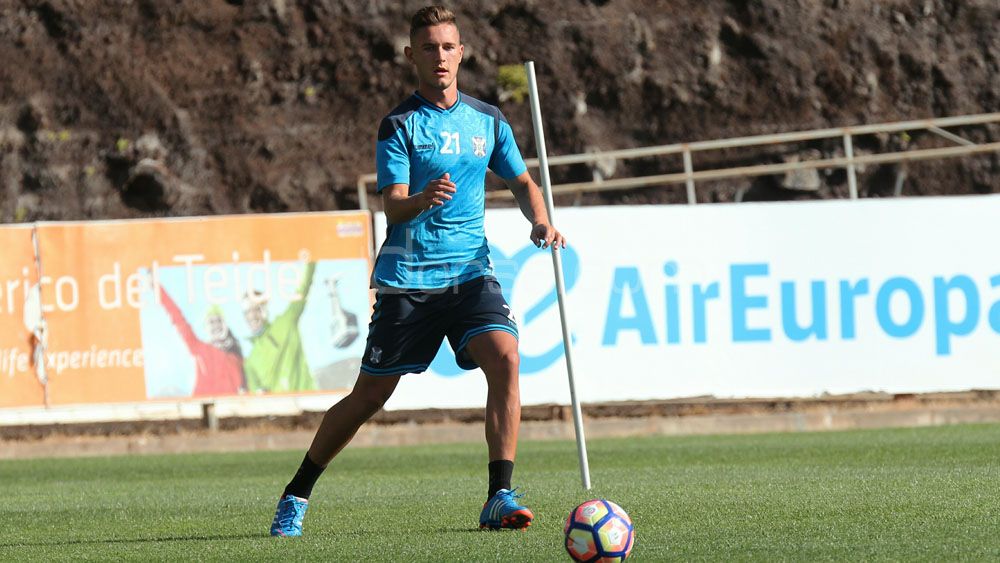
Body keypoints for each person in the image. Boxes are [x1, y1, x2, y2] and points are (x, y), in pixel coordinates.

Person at [269, 5, 565, 537]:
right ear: (412, 56)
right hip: (410, 279)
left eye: (448, 47)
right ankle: (297, 490)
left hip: (471, 271)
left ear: (462, 52)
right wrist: (423, 199)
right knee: (369, 398)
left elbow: (522, 183)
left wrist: (541, 221)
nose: (440, 57)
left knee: (506, 357)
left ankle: (500, 495)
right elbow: (394, 206)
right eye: (429, 48)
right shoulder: (400, 124)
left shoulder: (489, 121)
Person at [243, 261, 318, 393]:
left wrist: (310, 259)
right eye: (247, 312)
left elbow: (302, 290)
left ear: (264, 308)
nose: (252, 316)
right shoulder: (250, 363)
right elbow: (256, 396)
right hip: (279, 411)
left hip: (308, 402)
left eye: (256, 309)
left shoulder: (285, 322)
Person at [159, 286, 246, 396]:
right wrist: (158, 289)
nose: (216, 325)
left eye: (218, 321)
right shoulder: (199, 348)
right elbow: (178, 318)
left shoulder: (237, 357)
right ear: (206, 328)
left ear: (225, 325)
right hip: (202, 407)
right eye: (211, 322)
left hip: (229, 409)